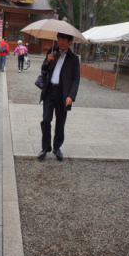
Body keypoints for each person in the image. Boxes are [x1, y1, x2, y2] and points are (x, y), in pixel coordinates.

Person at [38, 32, 80, 161]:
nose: (59, 42)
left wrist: (71, 96)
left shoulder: (73, 59)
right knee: (46, 120)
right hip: (50, 90)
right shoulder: (53, 52)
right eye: (58, 39)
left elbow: (76, 78)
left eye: (62, 40)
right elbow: (43, 70)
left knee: (60, 122)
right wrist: (47, 60)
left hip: (63, 93)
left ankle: (57, 147)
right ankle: (45, 147)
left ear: (69, 42)